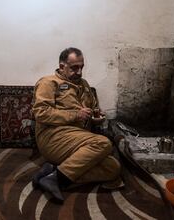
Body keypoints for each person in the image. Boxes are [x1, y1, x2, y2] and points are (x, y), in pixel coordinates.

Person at [32, 47, 123, 202]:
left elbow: (93, 108)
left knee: (113, 168)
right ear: (62, 66)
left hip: (78, 139)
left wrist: (96, 117)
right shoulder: (48, 82)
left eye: (81, 67)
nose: (79, 72)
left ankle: (53, 172)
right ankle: (57, 180)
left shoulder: (84, 85)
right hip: (53, 138)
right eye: (74, 68)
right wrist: (75, 115)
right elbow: (41, 113)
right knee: (103, 143)